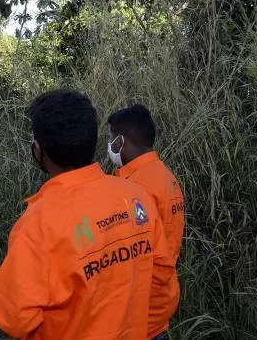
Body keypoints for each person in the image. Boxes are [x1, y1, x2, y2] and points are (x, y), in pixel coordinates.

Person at [0, 89, 179, 340]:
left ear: (39, 150)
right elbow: (162, 283)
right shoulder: (136, 197)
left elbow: (15, 316)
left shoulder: (39, 222)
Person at [108, 104, 185, 338]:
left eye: (111, 139)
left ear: (121, 141)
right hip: (159, 299)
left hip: (137, 309)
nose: (109, 146)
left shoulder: (135, 187)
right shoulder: (165, 176)